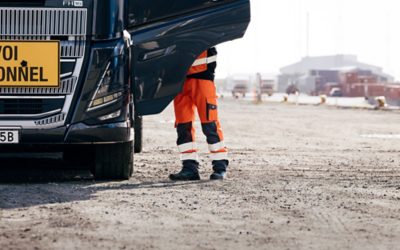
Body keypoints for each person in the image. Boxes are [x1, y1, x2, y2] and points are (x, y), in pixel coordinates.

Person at [169, 47, 229, 181]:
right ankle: (189, 168)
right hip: (180, 81)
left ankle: (220, 167)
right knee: (183, 126)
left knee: (210, 125)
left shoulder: (204, 26)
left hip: (203, 79)